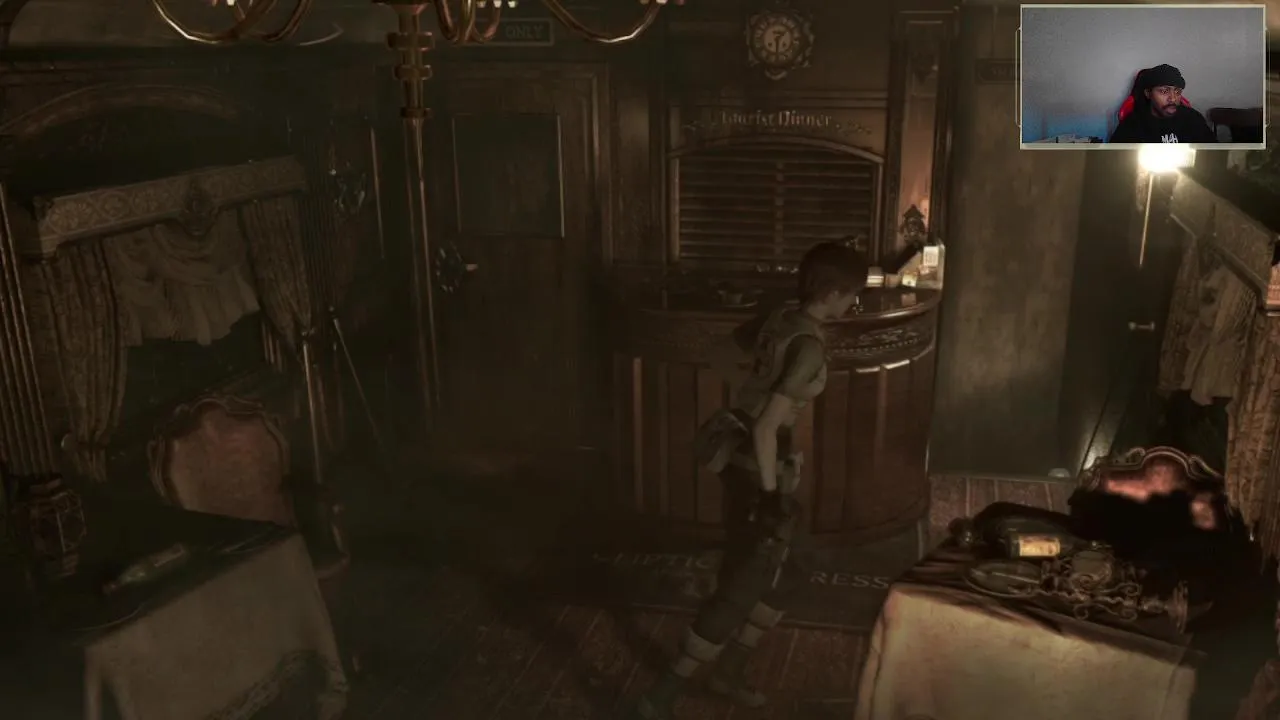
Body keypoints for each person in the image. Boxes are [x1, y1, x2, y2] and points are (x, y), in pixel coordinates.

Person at [632, 242, 869, 720]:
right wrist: (769, 495)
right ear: (833, 292)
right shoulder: (808, 346)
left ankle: (729, 669)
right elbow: (766, 427)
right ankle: (662, 695)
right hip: (763, 462)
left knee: (789, 568)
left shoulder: (780, 317)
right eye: (852, 294)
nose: (853, 303)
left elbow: (720, 355)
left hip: (742, 455)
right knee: (747, 579)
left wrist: (751, 394)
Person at [1108, 64, 1216, 144]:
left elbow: (1213, 154)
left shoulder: (1193, 119)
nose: (1173, 98)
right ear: (1148, 93)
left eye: (1177, 92)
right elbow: (1116, 160)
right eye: (1164, 91)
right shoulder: (1133, 124)